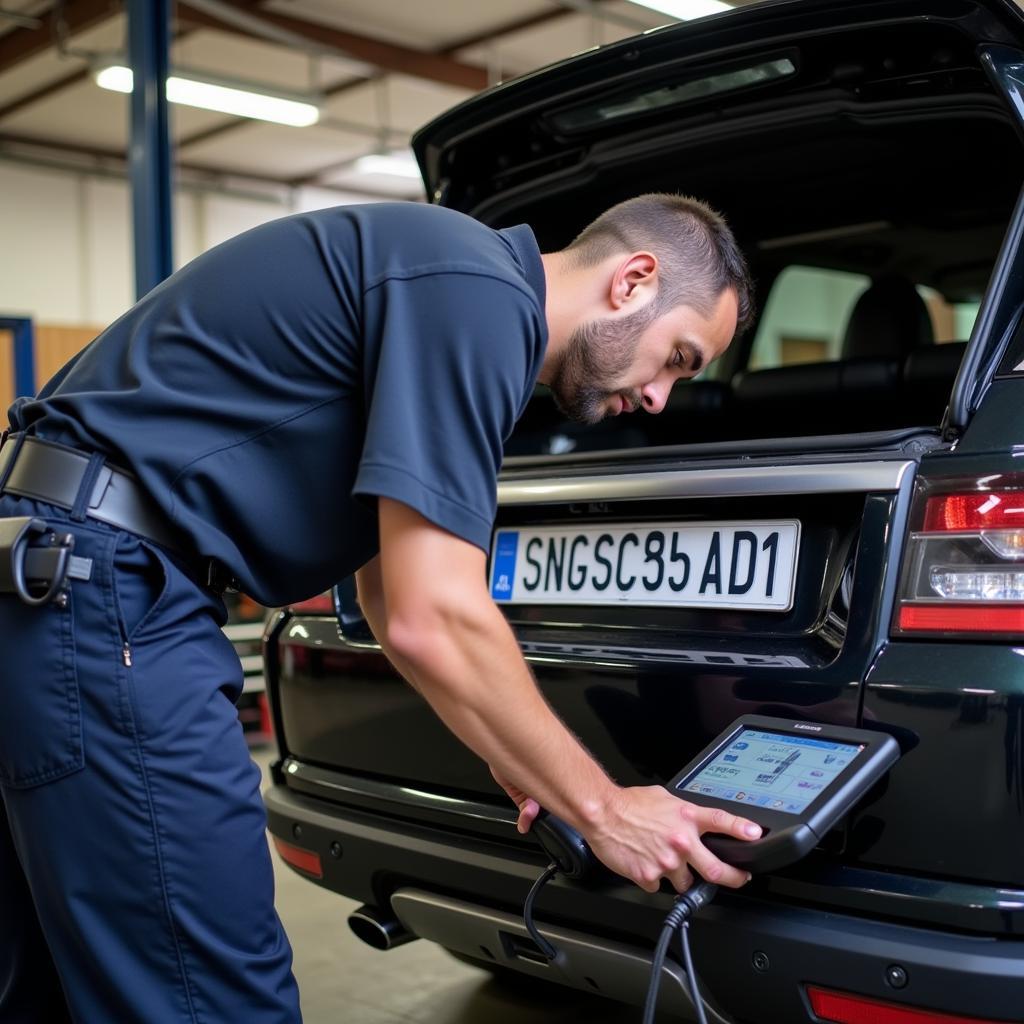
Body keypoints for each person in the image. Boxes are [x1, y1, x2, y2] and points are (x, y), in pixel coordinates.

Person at [0, 193, 757, 1023]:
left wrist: (515, 752)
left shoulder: (444, 277)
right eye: (679, 357)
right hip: (107, 596)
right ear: (633, 281)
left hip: (51, 588)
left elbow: (388, 590)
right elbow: (432, 615)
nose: (661, 398)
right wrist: (605, 809)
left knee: (49, 985)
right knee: (206, 995)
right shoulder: (481, 297)